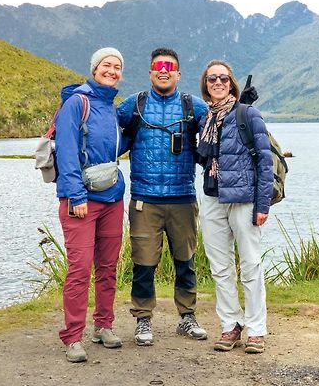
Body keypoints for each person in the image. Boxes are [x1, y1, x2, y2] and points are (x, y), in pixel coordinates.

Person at [117, 47, 208, 346]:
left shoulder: (193, 107)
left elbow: (219, 131)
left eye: (170, 66)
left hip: (183, 197)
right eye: (158, 66)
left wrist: (241, 107)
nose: (164, 70)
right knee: (144, 263)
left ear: (179, 74)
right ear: (150, 72)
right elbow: (107, 131)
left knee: (186, 260)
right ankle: (143, 320)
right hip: (145, 199)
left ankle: (187, 316)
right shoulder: (135, 105)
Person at [55, 47, 127, 363]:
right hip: (81, 199)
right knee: (81, 268)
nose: (112, 70)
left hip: (112, 196)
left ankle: (103, 325)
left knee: (109, 267)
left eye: (117, 67)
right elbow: (67, 151)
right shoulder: (76, 103)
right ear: (95, 68)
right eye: (106, 65)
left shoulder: (112, 108)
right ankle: (72, 337)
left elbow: (115, 146)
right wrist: (76, 195)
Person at [197, 60, 274, 354]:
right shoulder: (204, 118)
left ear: (232, 83)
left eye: (224, 78)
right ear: (206, 83)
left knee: (251, 265)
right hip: (212, 197)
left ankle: (256, 330)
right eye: (212, 78)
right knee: (220, 267)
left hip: (244, 199)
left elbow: (265, 161)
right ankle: (231, 325)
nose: (218, 82)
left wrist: (262, 203)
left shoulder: (247, 114)